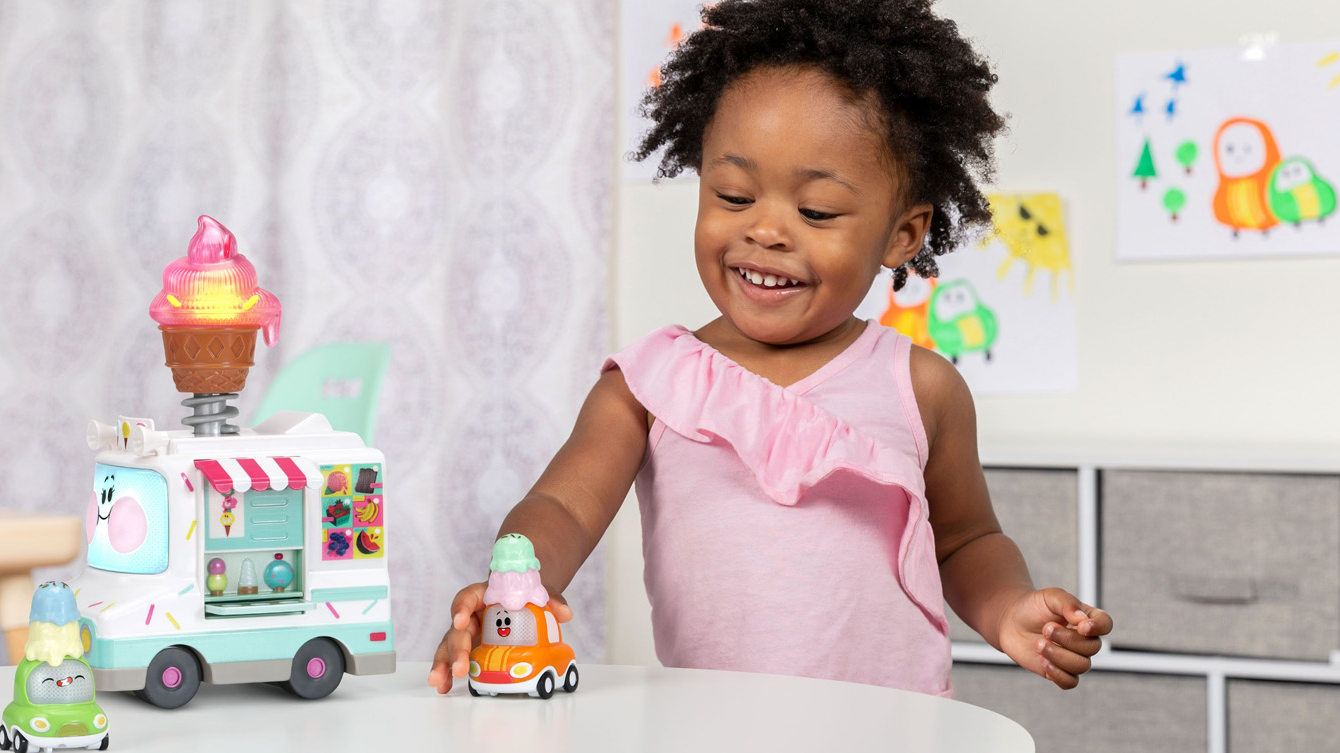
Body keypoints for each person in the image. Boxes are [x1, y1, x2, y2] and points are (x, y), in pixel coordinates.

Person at [429, 0, 1109, 697]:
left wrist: (1008, 609)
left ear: (903, 235)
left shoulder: (924, 387)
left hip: (892, 730)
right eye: (733, 196)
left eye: (815, 211)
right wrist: (514, 588)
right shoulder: (648, 383)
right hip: (713, 732)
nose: (766, 231)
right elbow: (564, 507)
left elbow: (966, 541)